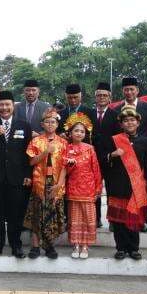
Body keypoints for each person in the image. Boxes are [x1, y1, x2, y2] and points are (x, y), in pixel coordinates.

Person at [0, 90, 32, 259]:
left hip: (17, 178)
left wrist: (27, 174)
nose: (4, 108)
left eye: (7, 104)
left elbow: (28, 153)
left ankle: (16, 245)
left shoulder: (23, 125)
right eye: (1, 104)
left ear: (13, 106)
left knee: (16, 213)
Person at [104, 105, 147, 260]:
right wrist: (112, 155)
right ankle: (120, 248)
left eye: (132, 120)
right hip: (117, 185)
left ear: (138, 122)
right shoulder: (114, 140)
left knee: (134, 218)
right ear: (121, 124)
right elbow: (103, 161)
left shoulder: (146, 142)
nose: (129, 123)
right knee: (118, 220)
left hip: (137, 186)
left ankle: (133, 249)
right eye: (126, 120)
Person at [114, 77, 147, 232]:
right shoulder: (116, 109)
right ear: (123, 91)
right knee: (122, 191)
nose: (129, 92)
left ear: (137, 90)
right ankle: (119, 220)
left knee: (141, 190)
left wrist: (143, 146)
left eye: (132, 89)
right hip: (122, 153)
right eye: (126, 89)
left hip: (141, 152)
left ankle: (142, 220)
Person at [24, 108, 67, 259]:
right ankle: (35, 246)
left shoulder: (63, 143)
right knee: (37, 215)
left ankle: (50, 246)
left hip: (56, 182)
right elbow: (31, 161)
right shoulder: (36, 141)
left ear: (57, 124)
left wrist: (60, 184)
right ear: (42, 124)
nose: (50, 124)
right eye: (47, 122)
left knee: (52, 216)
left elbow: (65, 166)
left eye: (53, 122)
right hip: (39, 182)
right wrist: (46, 152)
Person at [62, 113, 101, 259]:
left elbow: (96, 169)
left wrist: (98, 187)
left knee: (88, 218)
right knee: (74, 218)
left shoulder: (90, 148)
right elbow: (65, 170)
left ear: (85, 134)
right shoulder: (67, 148)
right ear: (70, 133)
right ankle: (76, 244)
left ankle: (85, 245)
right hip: (73, 187)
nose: (79, 133)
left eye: (82, 131)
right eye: (76, 130)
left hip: (89, 188)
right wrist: (70, 164)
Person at [91, 82, 120, 229]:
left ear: (110, 98)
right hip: (92, 159)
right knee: (94, 189)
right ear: (95, 97)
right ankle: (96, 219)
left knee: (111, 190)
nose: (101, 98)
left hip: (110, 159)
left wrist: (112, 154)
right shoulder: (88, 115)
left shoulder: (116, 116)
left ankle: (112, 220)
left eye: (105, 95)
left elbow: (118, 138)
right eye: (99, 95)